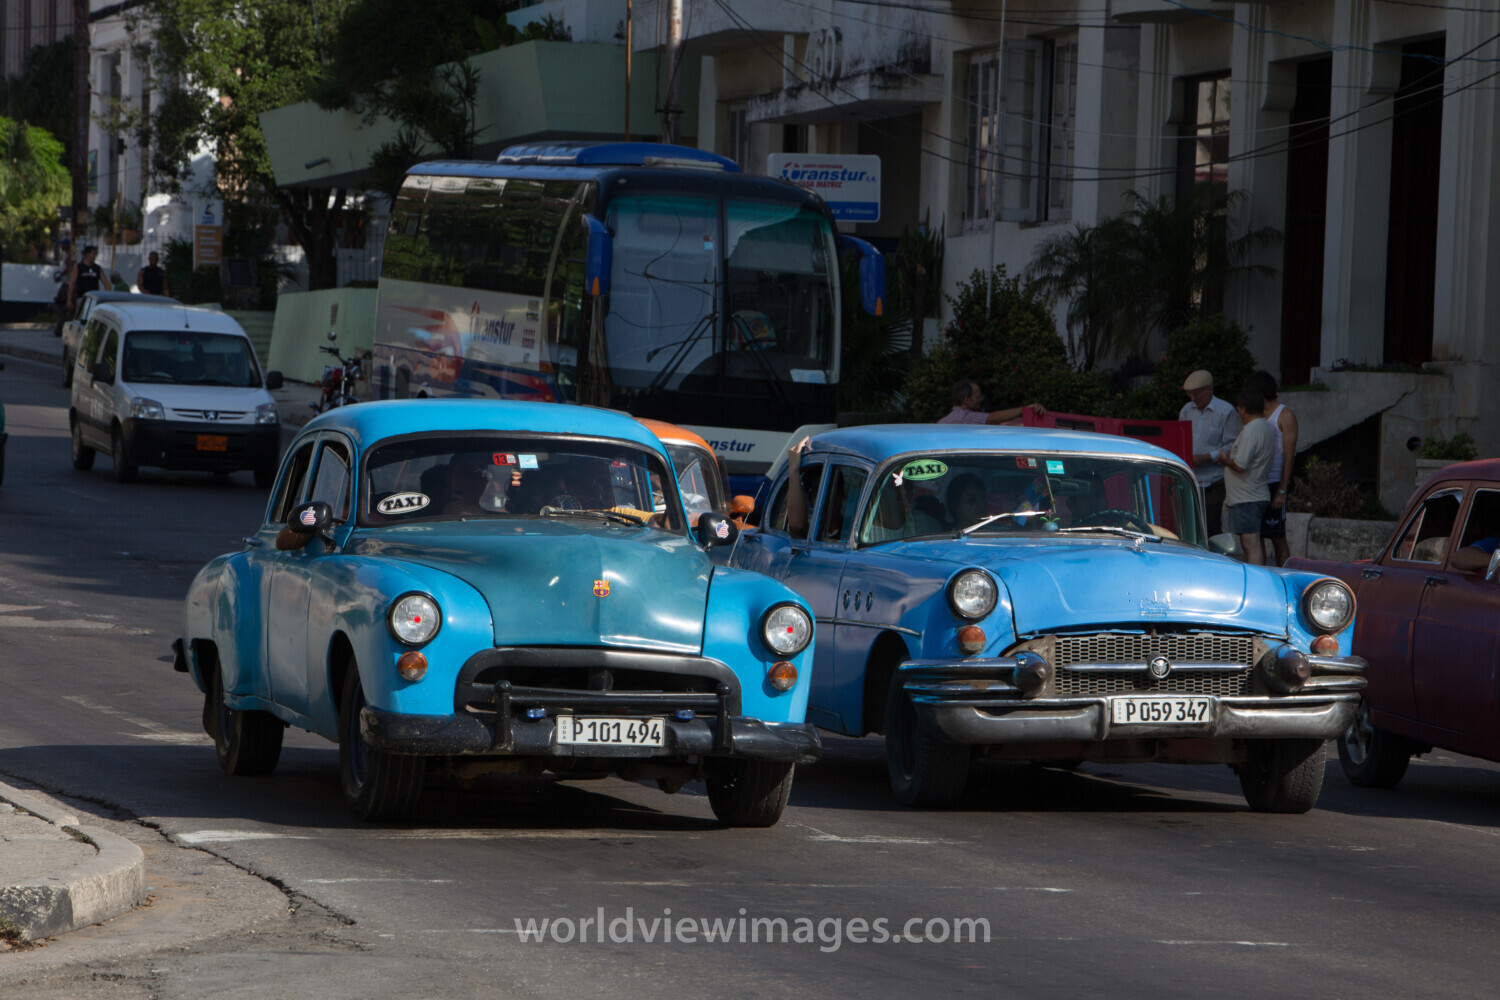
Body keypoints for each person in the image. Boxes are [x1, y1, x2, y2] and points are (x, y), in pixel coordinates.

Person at [1179, 369, 1239, 537]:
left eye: (1196, 394)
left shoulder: (1226, 411)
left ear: (1209, 390)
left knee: (1211, 529)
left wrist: (1207, 457)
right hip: (1190, 479)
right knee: (1189, 529)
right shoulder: (1186, 410)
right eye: (1190, 395)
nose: (1193, 399)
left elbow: (1233, 445)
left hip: (1213, 481)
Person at [1222, 384, 1275, 566]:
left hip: (1248, 497)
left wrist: (1224, 458)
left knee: (1250, 543)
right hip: (1251, 494)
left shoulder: (1252, 430)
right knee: (1251, 543)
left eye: (1239, 409)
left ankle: (1255, 579)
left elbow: (1240, 464)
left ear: (1243, 408)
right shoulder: (1265, 427)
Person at [1250, 370, 1299, 566]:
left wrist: (1282, 490)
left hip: (1275, 481)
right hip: (1255, 482)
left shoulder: (1285, 415)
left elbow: (1289, 455)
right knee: (1256, 535)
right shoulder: (1255, 412)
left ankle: (1285, 573)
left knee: (1277, 535)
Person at [939, 380, 1046, 425]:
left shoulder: (942, 422)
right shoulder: (964, 417)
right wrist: (1024, 410)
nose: (980, 399)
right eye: (978, 396)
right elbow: (992, 418)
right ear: (967, 400)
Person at [66, 244, 103, 314]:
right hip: (82, 297)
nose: (95, 256)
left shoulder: (97, 268)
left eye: (95, 254)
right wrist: (69, 299)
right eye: (93, 254)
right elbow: (72, 283)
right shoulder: (78, 268)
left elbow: (106, 284)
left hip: (94, 299)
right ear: (87, 255)